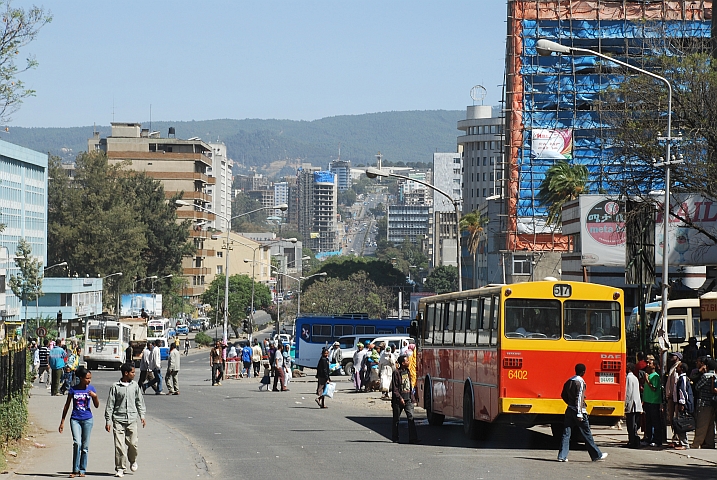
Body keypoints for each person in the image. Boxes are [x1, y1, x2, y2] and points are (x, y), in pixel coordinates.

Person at [557, 363, 608, 462]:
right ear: (583, 372)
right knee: (586, 433)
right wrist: (579, 412)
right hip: (578, 411)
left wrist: (569, 403)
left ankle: (562, 456)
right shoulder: (580, 382)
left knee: (566, 433)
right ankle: (596, 455)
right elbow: (579, 398)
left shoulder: (569, 381)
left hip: (569, 409)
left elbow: (563, 395)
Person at [105, 363, 146, 478]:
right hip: (118, 420)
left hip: (132, 419)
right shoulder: (115, 387)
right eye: (132, 372)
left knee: (133, 444)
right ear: (126, 373)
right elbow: (110, 404)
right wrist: (108, 421)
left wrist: (142, 416)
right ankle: (120, 468)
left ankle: (132, 460)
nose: (134, 374)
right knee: (119, 446)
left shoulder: (135, 386)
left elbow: (139, 401)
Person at [59, 366, 99, 478]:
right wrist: (62, 421)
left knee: (85, 447)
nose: (89, 380)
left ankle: (82, 469)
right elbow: (67, 406)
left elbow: (96, 406)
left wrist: (95, 397)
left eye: (90, 378)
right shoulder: (73, 389)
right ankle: (74, 469)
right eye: (87, 378)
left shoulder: (91, 389)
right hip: (75, 419)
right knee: (77, 443)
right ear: (81, 378)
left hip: (87, 419)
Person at [391, 354, 418, 444]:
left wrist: (412, 397)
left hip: (408, 399)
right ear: (403, 363)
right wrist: (400, 398)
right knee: (396, 419)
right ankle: (395, 438)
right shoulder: (396, 373)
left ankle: (413, 438)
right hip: (399, 400)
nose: (408, 362)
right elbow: (395, 388)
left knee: (411, 418)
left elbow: (409, 386)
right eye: (407, 361)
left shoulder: (407, 371)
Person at [691, 356, 716, 449]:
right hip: (712, 403)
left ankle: (697, 443)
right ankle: (710, 443)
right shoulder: (714, 375)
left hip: (704, 403)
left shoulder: (706, 376)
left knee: (701, 424)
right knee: (710, 425)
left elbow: (697, 387)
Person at [642, 358, 663, 447]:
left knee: (655, 421)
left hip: (653, 402)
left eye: (649, 363)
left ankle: (657, 439)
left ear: (654, 365)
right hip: (647, 401)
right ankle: (649, 438)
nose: (647, 365)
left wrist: (647, 380)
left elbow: (654, 388)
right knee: (648, 421)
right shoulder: (649, 375)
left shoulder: (655, 376)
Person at [673, 361, 693, 450]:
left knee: (682, 423)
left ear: (681, 369)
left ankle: (684, 444)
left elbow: (683, 391)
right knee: (679, 422)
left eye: (678, 367)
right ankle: (681, 441)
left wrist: (682, 403)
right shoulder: (681, 378)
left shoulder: (683, 379)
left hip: (683, 404)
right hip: (680, 403)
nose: (676, 368)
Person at [624, 362, 643, 449]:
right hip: (637, 404)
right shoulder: (635, 378)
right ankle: (634, 440)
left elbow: (628, 392)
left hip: (632, 404)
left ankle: (633, 441)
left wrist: (626, 404)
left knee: (631, 424)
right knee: (634, 424)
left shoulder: (629, 378)